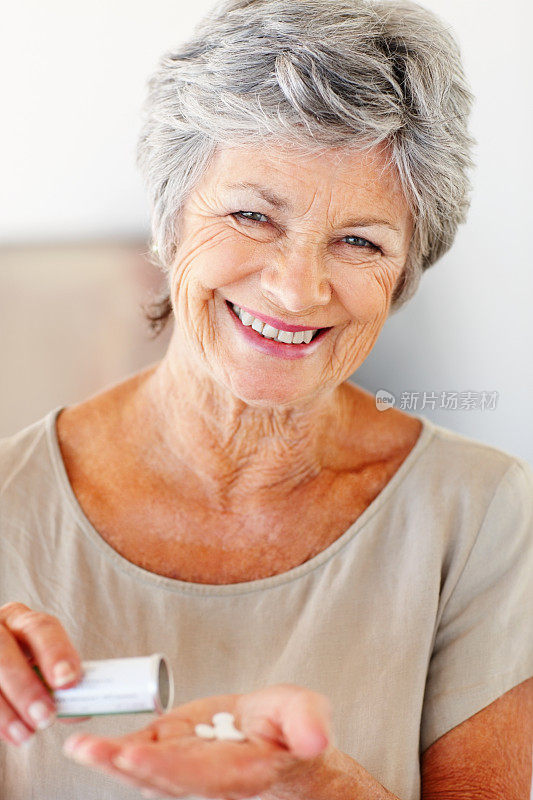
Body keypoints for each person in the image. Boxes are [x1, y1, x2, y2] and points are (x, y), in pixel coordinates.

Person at [1, 0, 531, 797]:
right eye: (252, 215)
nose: (295, 288)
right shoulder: (10, 505)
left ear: (402, 276)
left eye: (359, 241)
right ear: (170, 220)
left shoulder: (483, 516)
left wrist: (321, 789)